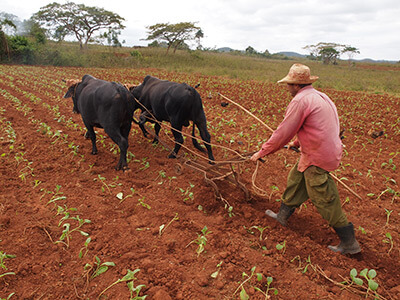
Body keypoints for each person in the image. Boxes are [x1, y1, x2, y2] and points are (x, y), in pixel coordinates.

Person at [250, 63, 361, 255]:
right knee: (296, 179)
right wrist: (298, 143)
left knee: (324, 196)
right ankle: (282, 217)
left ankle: (349, 243)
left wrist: (262, 152)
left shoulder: (300, 101)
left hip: (318, 157)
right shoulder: (321, 97)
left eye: (289, 84)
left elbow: (283, 132)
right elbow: (320, 127)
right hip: (322, 151)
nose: (287, 88)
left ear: (296, 85)